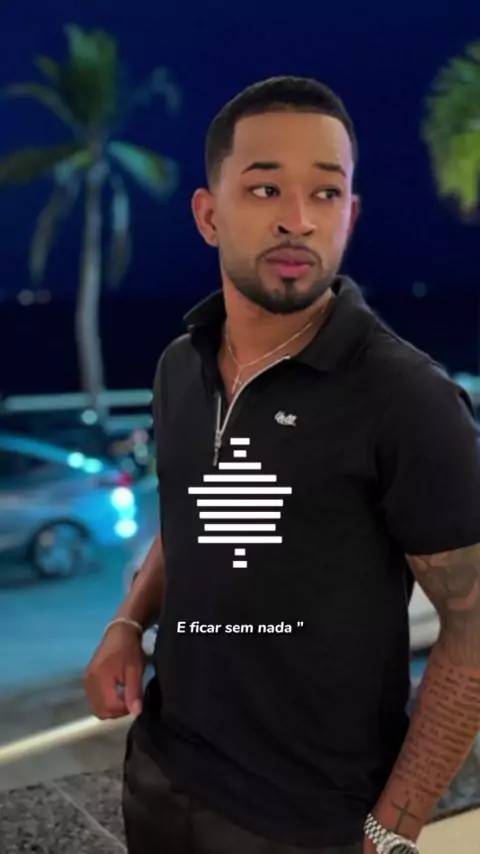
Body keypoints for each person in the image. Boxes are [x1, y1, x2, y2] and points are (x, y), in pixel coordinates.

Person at [84, 76, 480, 854]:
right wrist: (129, 621)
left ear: (349, 216)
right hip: (161, 772)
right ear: (209, 214)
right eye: (265, 188)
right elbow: (194, 511)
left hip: (307, 822)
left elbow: (473, 626)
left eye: (325, 194)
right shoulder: (179, 367)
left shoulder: (405, 396)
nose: (298, 218)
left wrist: (391, 830)